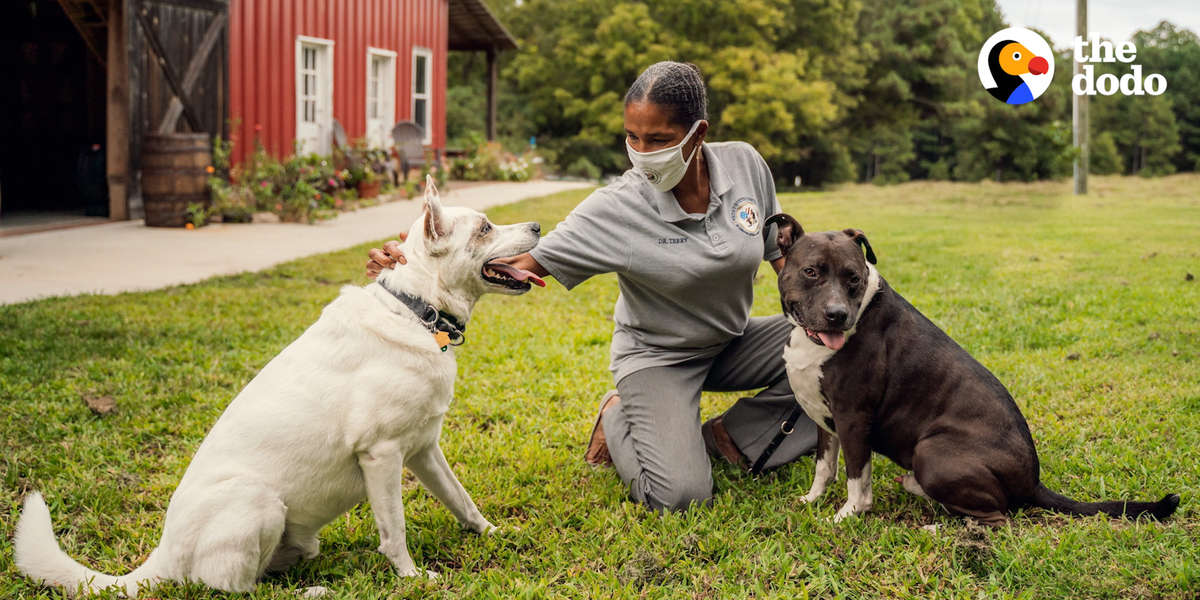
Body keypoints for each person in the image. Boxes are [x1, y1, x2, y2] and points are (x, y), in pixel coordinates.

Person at [366, 61, 816, 512]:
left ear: (698, 134)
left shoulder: (746, 164)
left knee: (843, 352)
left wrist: (831, 313)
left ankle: (726, 436)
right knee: (681, 496)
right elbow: (509, 261)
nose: (642, 152)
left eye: (658, 140)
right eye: (632, 138)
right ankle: (618, 415)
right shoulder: (617, 207)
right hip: (659, 358)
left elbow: (784, 260)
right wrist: (415, 258)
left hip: (734, 341)